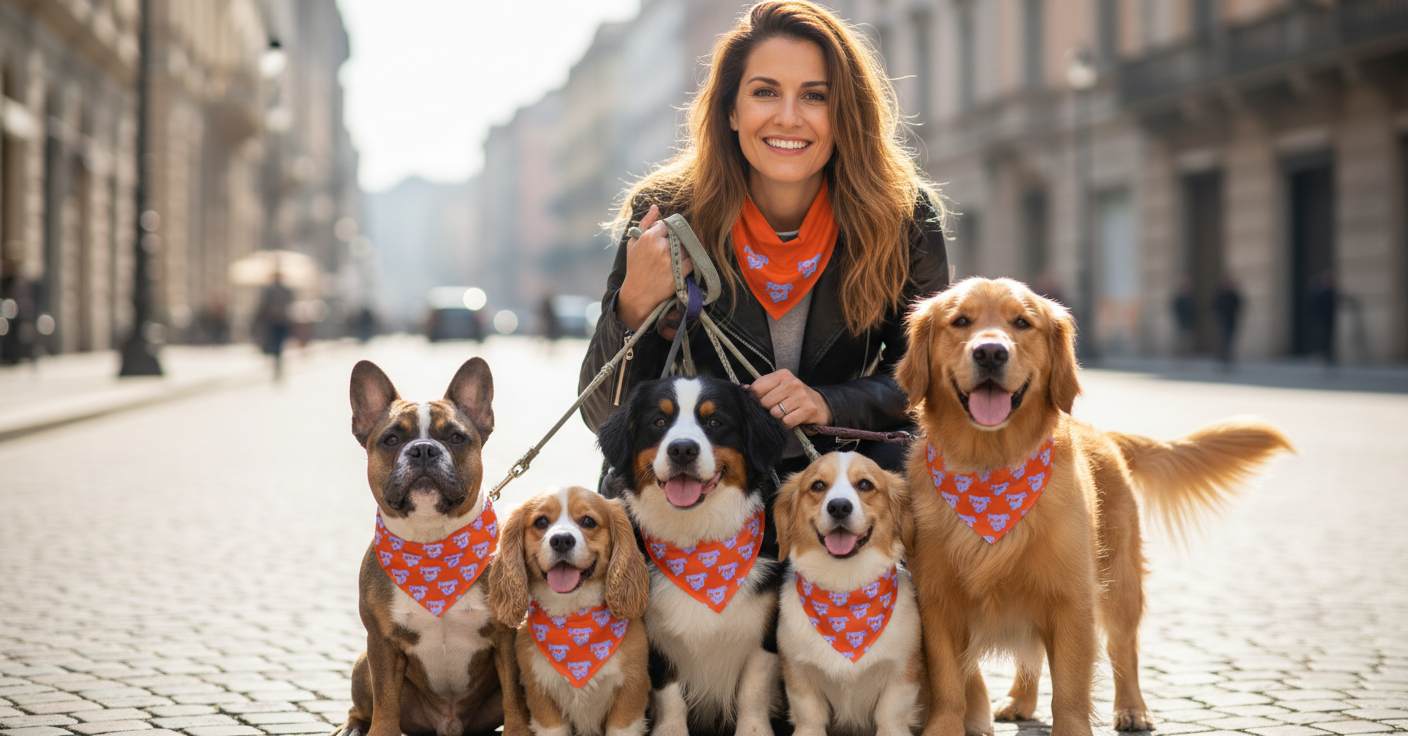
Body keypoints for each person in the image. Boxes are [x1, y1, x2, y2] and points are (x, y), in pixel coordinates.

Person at [579, 0, 949, 481]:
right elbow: (604, 416)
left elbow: (933, 381)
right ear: (732, 110)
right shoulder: (669, 213)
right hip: (699, 500)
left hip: (840, 498)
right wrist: (632, 305)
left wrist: (828, 404)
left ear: (845, 113)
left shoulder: (903, 216)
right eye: (765, 92)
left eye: (815, 96)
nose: (789, 117)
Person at [254, 271, 294, 379]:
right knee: (279, 343)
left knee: (274, 343)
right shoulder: (286, 290)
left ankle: (276, 362)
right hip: (281, 320)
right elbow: (290, 302)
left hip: (273, 321)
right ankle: (277, 362)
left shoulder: (269, 290)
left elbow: (263, 305)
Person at [1213, 276, 1242, 369]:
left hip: (1231, 320)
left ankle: (1228, 359)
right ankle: (1222, 358)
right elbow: (1216, 306)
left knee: (1230, 340)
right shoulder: (1220, 295)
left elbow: (1239, 305)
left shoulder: (1233, 294)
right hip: (1223, 320)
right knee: (1223, 340)